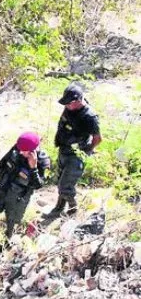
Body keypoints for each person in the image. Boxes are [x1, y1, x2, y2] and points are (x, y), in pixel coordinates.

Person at [43, 83, 101, 217]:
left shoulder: (89, 116)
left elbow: (97, 138)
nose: (67, 106)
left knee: (65, 186)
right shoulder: (69, 108)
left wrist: (87, 151)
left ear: (78, 101)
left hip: (76, 155)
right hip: (64, 150)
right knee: (60, 181)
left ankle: (73, 209)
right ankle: (59, 208)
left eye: (69, 103)